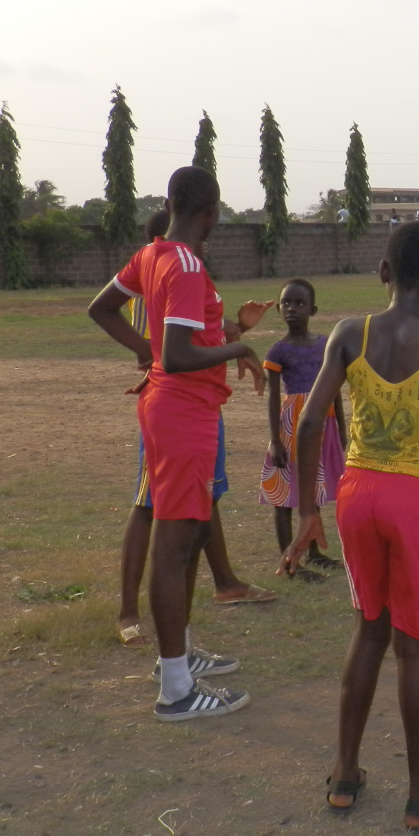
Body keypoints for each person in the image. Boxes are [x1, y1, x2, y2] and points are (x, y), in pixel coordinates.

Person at [280, 221, 419, 832]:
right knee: (418, 647)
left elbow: (307, 428)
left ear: (382, 272)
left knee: (369, 631)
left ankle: (345, 775)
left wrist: (307, 513)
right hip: (416, 500)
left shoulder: (349, 334)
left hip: (357, 493)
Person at [88, 166, 265, 721]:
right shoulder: (185, 264)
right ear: (211, 212)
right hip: (181, 410)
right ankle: (175, 691)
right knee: (174, 542)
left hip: (183, 406)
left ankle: (182, 655)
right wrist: (238, 353)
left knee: (188, 536)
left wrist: (148, 349)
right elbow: (182, 354)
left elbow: (102, 308)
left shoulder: (153, 255)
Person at [116, 212, 277, 646]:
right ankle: (133, 616)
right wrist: (237, 345)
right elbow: (172, 351)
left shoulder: (186, 267)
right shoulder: (168, 266)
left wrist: (237, 328)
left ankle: (221, 588)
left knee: (202, 507)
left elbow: (198, 336)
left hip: (201, 403)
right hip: (175, 406)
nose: (206, 248)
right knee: (153, 509)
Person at [261, 278, 346, 579]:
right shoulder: (277, 351)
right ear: (278, 310)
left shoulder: (326, 345)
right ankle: (289, 561)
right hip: (292, 425)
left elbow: (334, 389)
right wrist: (274, 440)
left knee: (313, 489)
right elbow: (273, 397)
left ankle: (314, 553)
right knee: (284, 495)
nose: (291, 309)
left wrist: (344, 433)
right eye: (286, 303)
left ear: (313, 309)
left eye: (299, 303)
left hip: (325, 422)